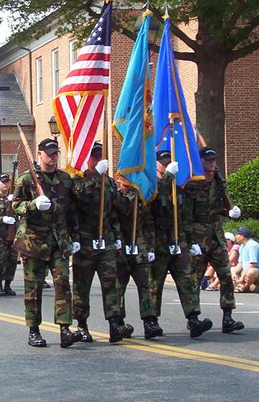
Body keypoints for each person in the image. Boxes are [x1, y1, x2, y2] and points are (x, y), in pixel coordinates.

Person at [12, 138, 82, 348]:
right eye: (49, 153)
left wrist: (75, 238)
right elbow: (16, 205)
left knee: (63, 285)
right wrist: (32, 205)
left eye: (55, 153)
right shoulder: (27, 179)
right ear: (39, 154)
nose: (53, 156)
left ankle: (64, 329)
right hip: (34, 242)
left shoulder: (65, 179)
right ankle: (34, 330)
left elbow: (72, 212)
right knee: (33, 289)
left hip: (59, 242)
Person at [71, 142, 133, 343]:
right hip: (85, 240)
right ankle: (81, 325)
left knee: (111, 284)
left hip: (105, 240)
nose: (97, 160)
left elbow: (115, 212)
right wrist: (96, 175)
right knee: (82, 285)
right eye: (94, 156)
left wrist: (115, 237)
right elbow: (79, 198)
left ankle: (115, 324)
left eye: (99, 156)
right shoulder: (79, 179)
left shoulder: (108, 182)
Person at [149, 150, 214, 339]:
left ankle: (193, 319)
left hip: (179, 242)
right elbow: (154, 203)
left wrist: (192, 241)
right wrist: (168, 176)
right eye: (163, 162)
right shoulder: (152, 187)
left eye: (169, 162)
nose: (166, 164)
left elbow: (185, 219)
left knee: (187, 280)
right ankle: (151, 321)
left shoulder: (179, 191)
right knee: (155, 283)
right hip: (158, 243)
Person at [186, 146, 245, 334]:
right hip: (198, 237)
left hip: (216, 236)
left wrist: (230, 212)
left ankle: (227, 317)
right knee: (194, 279)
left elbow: (220, 208)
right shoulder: (193, 185)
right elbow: (186, 214)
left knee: (226, 275)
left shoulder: (220, 183)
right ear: (200, 162)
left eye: (214, 159)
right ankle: (193, 319)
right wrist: (189, 240)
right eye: (208, 160)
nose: (212, 163)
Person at [112, 176, 159, 338]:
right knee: (118, 288)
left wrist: (150, 247)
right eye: (126, 176)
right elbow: (120, 211)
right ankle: (118, 322)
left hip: (139, 247)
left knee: (145, 285)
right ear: (118, 179)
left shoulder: (142, 198)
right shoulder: (114, 196)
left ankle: (149, 321)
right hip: (120, 249)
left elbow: (149, 224)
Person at [233, 227, 259, 292]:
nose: (235, 236)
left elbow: (253, 264)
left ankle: (246, 287)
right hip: (247, 271)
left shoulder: (252, 246)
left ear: (242, 236)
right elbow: (240, 263)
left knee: (251, 272)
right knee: (232, 270)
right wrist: (235, 273)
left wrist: (242, 277)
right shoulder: (242, 246)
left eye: (237, 234)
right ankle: (241, 285)